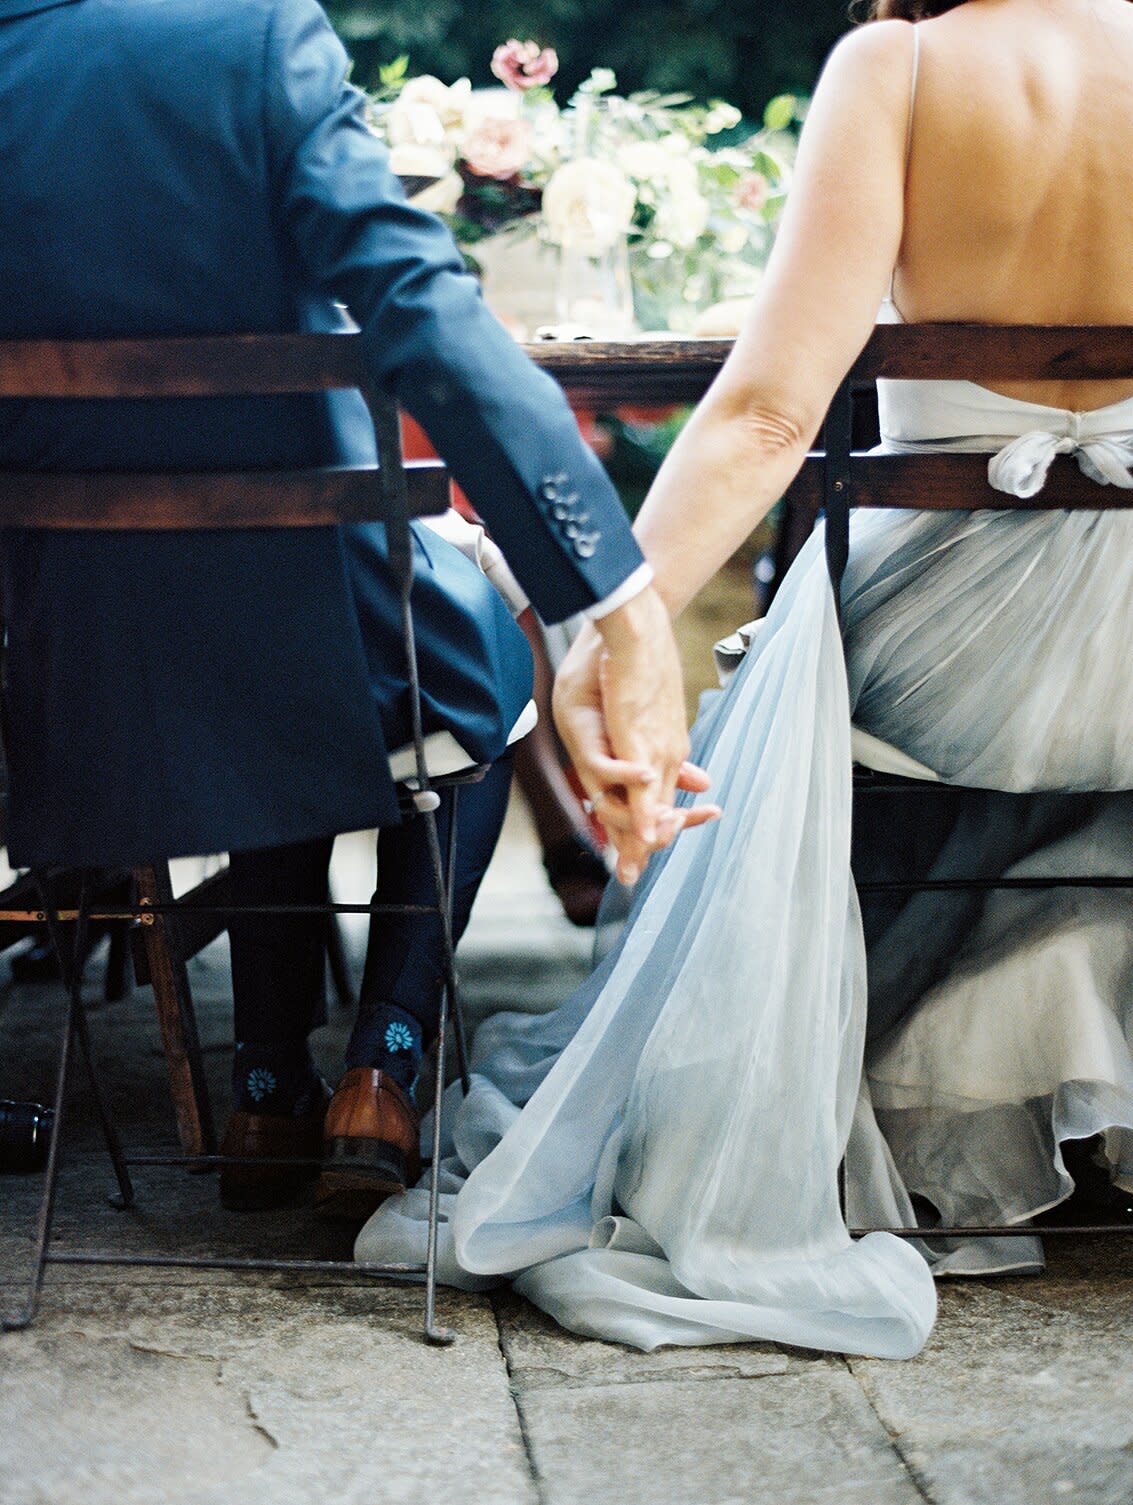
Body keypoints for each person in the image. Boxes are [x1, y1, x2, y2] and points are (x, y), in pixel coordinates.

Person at [361, 0, 1133, 1356]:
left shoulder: (898, 69)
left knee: (798, 678)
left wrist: (619, 625)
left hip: (955, 669)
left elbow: (772, 411)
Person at [0, 0, 700, 1209]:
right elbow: (420, 308)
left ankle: (264, 1079)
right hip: (300, 631)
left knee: (283, 644)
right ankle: (382, 1062)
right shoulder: (255, 45)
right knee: (470, 653)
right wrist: (612, 596)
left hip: (60, 674)